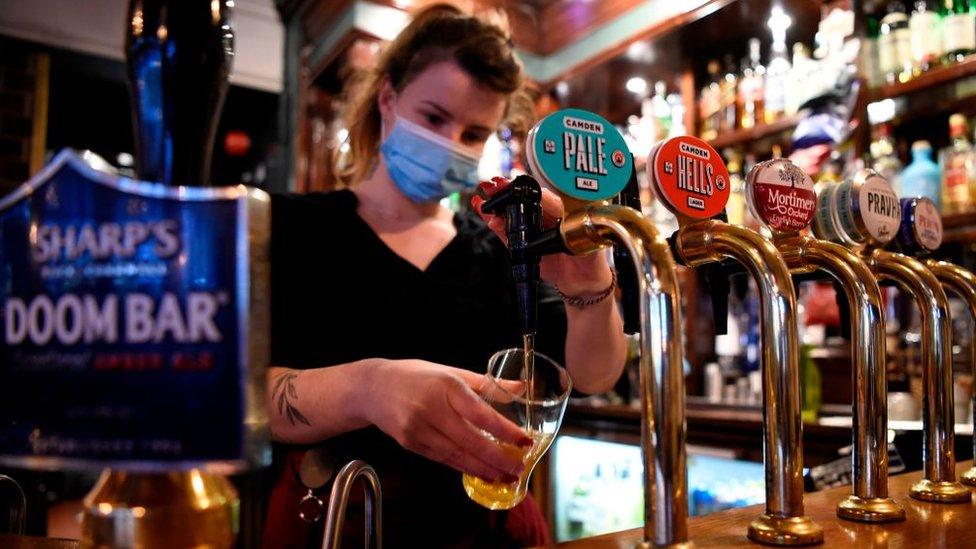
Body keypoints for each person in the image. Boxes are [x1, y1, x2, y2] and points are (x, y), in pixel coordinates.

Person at [262, 5, 627, 547]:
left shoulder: (504, 246)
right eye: (434, 118)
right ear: (387, 99)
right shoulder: (291, 226)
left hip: (489, 529)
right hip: (342, 521)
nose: (452, 142)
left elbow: (596, 375)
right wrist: (367, 388)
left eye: (475, 133)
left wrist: (589, 281)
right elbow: (239, 396)